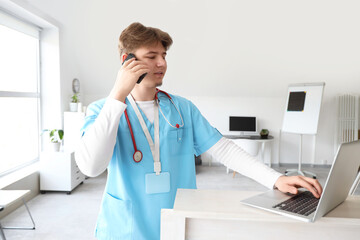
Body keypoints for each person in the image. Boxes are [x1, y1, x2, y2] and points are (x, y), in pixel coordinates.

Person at [75, 22, 322, 240]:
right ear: (127, 61)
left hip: (179, 220)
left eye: (164, 55)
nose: (162, 63)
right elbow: (91, 167)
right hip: (126, 228)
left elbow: (223, 148)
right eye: (152, 56)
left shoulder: (182, 108)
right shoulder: (102, 110)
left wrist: (274, 178)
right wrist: (118, 95)